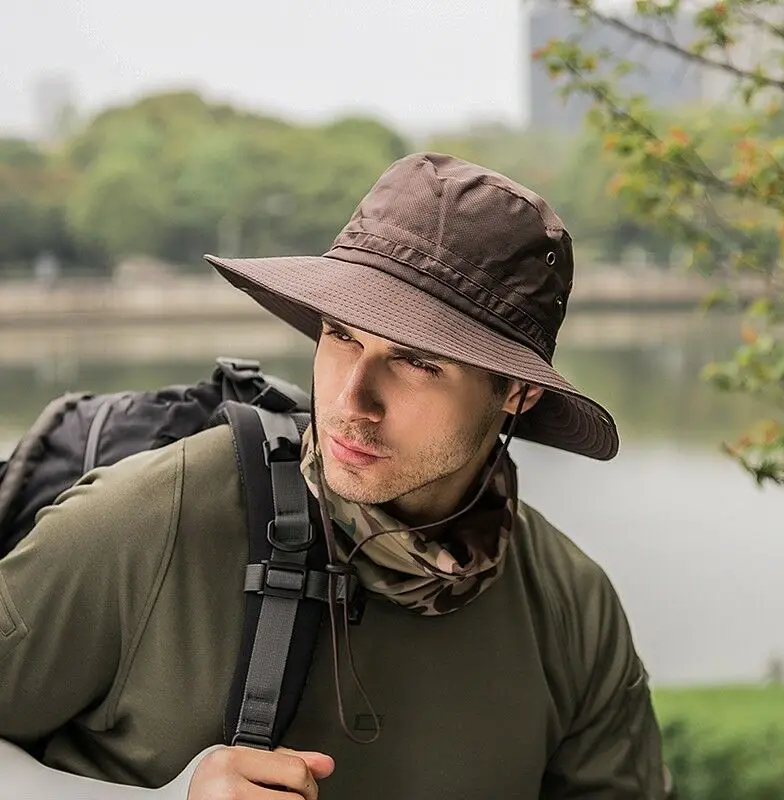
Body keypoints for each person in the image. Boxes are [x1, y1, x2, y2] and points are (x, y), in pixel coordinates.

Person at [0, 153, 669, 799]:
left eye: (417, 363)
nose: (353, 401)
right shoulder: (154, 518)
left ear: (517, 394)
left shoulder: (571, 605)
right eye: (341, 336)